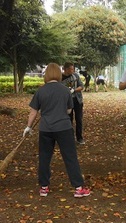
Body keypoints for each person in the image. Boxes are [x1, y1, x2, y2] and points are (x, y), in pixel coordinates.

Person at [22, 63, 90, 198]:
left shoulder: (40, 91)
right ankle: (78, 188)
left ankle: (44, 187)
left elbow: (33, 112)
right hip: (64, 128)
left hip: (46, 129)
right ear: (59, 74)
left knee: (44, 157)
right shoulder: (65, 90)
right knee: (70, 157)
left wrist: (28, 127)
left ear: (46, 75)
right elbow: (69, 110)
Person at [62, 62, 85, 145]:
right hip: (67, 102)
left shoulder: (75, 76)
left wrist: (74, 90)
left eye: (73, 68)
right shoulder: (60, 78)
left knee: (79, 119)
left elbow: (82, 86)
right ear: (66, 69)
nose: (73, 70)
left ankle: (79, 138)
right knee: (68, 120)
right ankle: (69, 138)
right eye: (71, 69)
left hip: (77, 100)